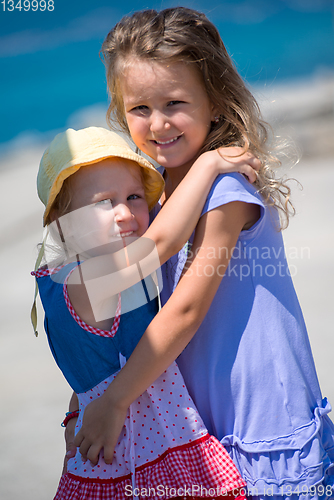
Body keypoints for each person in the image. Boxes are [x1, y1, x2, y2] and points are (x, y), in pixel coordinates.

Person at [67, 7, 334, 500]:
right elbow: (124, 312)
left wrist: (117, 401)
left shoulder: (225, 193)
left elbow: (186, 309)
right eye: (140, 109)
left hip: (258, 419)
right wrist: (87, 400)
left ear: (214, 101)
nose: (159, 123)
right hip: (194, 423)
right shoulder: (150, 200)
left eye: (175, 102)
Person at [32, 126, 260, 499]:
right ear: (63, 222)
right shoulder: (88, 280)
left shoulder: (80, 273)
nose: (124, 213)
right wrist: (208, 164)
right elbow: (165, 240)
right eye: (103, 203)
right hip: (134, 461)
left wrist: (76, 414)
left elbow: (92, 373)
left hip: (133, 447)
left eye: (134, 196)